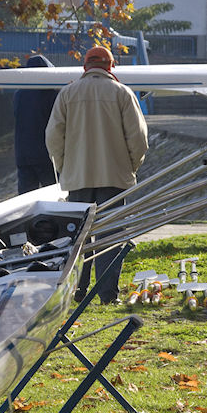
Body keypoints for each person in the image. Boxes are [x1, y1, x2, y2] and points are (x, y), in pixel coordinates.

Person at [46, 46, 149, 305]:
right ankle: (107, 294)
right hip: (114, 177)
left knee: (78, 238)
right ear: (111, 66)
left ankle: (78, 290)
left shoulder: (67, 94)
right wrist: (130, 167)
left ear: (85, 67)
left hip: (77, 178)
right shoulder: (122, 93)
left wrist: (64, 167)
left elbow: (53, 137)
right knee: (110, 237)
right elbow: (138, 139)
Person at [13, 55, 59, 194]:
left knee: (25, 198)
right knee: (52, 195)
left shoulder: (18, 94)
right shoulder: (51, 94)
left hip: (23, 155)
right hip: (45, 155)